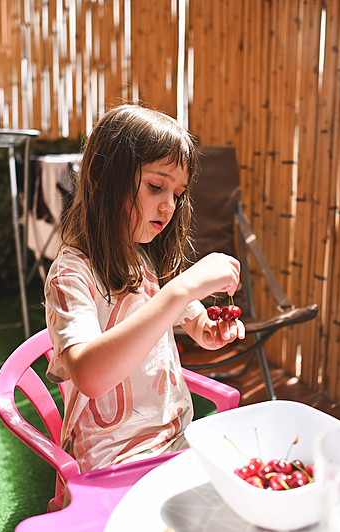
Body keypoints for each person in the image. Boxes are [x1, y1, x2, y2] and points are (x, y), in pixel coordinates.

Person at [44, 104, 245, 498]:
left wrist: (210, 330)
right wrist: (181, 289)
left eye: (178, 193)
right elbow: (89, 375)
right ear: (106, 179)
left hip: (175, 441)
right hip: (111, 462)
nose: (170, 206)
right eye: (156, 187)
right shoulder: (71, 275)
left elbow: (195, 324)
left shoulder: (142, 258)